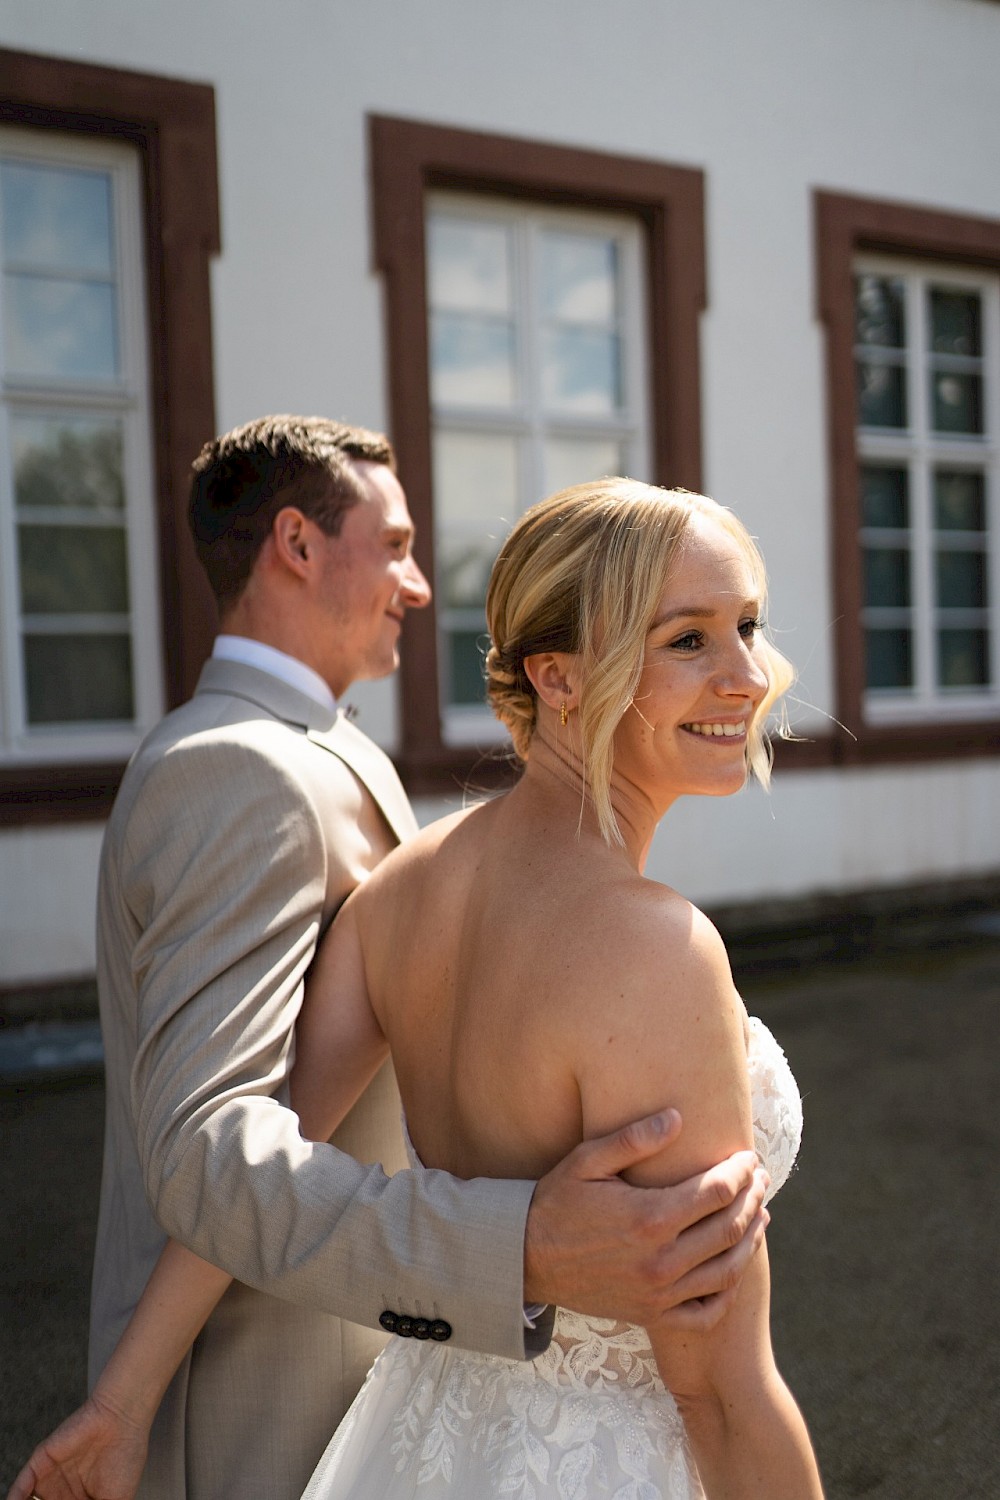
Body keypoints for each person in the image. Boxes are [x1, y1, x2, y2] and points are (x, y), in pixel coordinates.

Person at [9, 438, 771, 1500]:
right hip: (304, 1415)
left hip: (418, 1425)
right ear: (295, 545)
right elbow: (216, 1147)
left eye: (748, 627)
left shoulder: (388, 827)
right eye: (398, 546)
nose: (420, 584)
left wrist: (118, 1398)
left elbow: (291, 1111)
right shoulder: (243, 770)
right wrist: (519, 1250)